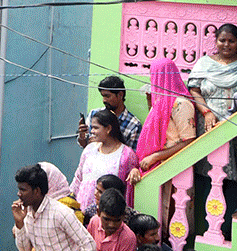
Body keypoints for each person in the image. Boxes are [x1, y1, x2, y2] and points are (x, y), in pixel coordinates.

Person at [126, 60, 197, 192]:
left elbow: (189, 141)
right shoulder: (158, 103)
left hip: (174, 167)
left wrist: (155, 157)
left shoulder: (181, 104)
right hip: (154, 167)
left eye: (154, 75)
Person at [187, 26, 237, 132]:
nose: (226, 45)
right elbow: (194, 91)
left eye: (231, 41)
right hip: (210, 124)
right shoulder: (203, 63)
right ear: (216, 41)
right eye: (222, 40)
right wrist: (207, 112)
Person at [72, 111, 137, 213]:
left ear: (108, 129)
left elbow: (129, 191)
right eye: (91, 128)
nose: (92, 131)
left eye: (96, 128)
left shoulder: (126, 155)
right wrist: (70, 201)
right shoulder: (89, 149)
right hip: (82, 212)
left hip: (108, 215)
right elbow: (78, 179)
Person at [77, 76, 142, 149]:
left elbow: (130, 156)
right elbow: (84, 145)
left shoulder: (133, 124)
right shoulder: (94, 114)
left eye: (107, 96)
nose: (104, 100)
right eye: (103, 96)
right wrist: (82, 136)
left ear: (120, 95)